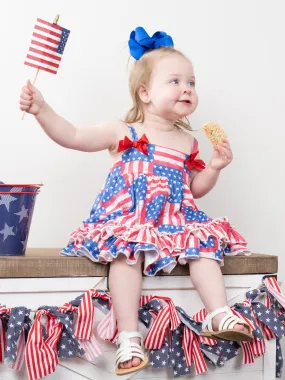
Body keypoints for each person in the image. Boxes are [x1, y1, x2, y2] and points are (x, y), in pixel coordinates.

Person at [19, 26, 252, 376]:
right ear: (144, 92)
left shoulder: (188, 142)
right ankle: (129, 336)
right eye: (175, 81)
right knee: (127, 257)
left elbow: (194, 189)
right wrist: (42, 110)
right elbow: (75, 136)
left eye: (191, 82)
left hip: (174, 222)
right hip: (130, 221)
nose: (187, 88)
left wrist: (215, 167)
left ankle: (218, 313)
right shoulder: (123, 131)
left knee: (204, 248)